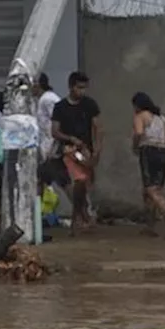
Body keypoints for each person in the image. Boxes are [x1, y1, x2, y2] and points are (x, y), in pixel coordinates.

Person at [51, 71, 102, 231]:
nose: (82, 91)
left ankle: (81, 216)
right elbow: (55, 131)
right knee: (78, 182)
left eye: (84, 88)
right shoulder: (60, 107)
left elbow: (98, 128)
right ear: (71, 87)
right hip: (68, 151)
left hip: (86, 151)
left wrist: (97, 151)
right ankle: (81, 217)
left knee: (85, 184)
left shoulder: (90, 104)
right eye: (79, 87)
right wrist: (71, 139)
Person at [131, 91, 165, 240]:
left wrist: (135, 146)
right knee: (151, 191)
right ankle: (150, 226)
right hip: (164, 153)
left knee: (152, 191)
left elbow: (139, 133)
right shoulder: (161, 118)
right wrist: (161, 145)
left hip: (148, 152)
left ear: (137, 105)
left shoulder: (140, 116)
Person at [33, 73, 60, 160]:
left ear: (37, 85)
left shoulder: (48, 99)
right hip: (46, 144)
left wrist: (53, 148)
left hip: (52, 145)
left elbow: (58, 121)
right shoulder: (42, 99)